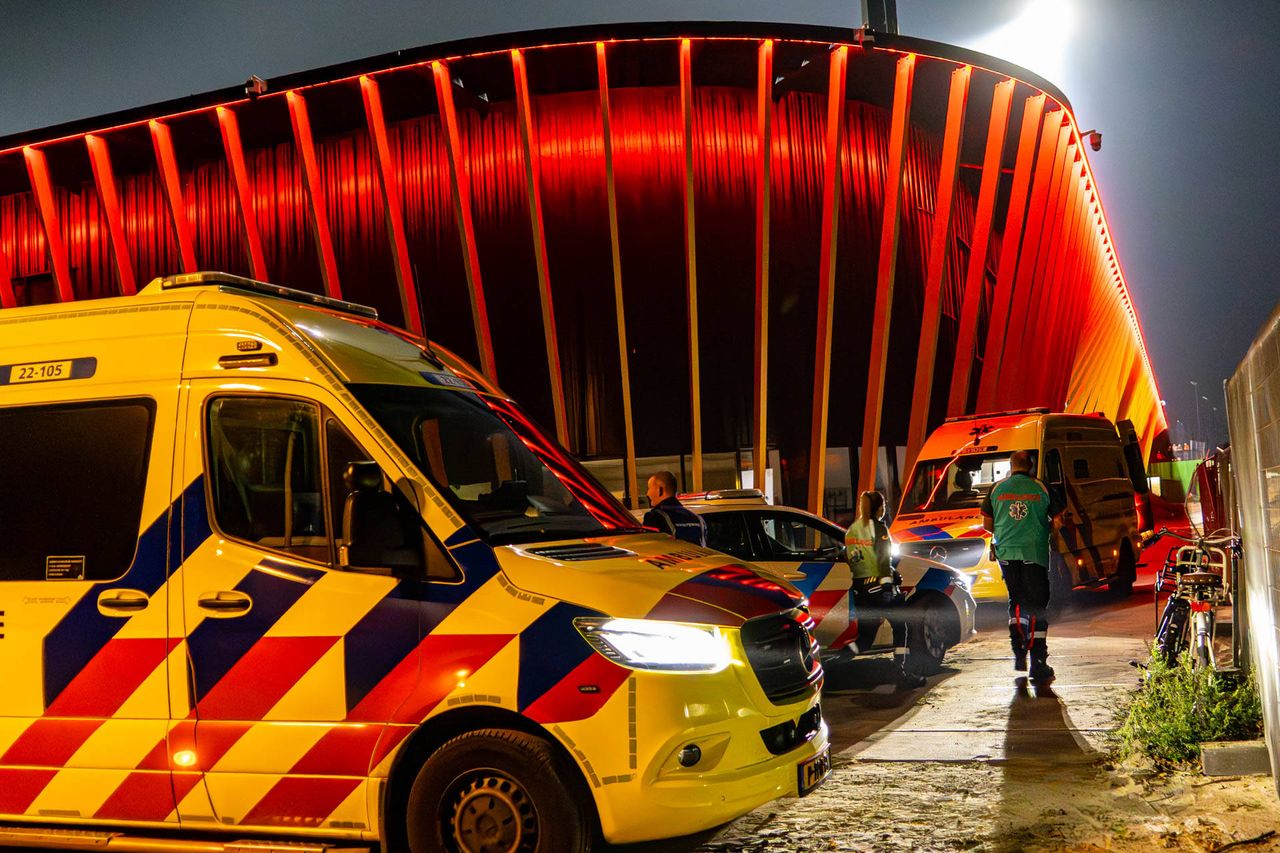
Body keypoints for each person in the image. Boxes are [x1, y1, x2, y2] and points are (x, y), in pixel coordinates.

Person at [981, 450, 1066, 681]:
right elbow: (1058, 520)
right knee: (1037, 603)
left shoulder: (996, 489)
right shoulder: (1042, 487)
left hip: (1006, 554)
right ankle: (1038, 662)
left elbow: (988, 524)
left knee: (1015, 600)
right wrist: (1046, 529)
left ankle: (1018, 652)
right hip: (1034, 553)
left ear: (1010, 466)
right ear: (1030, 466)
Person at [845, 490, 925, 689]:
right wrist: (890, 584)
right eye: (884, 506)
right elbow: (882, 559)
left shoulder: (852, 530)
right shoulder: (879, 529)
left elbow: (851, 558)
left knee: (864, 639)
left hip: (860, 590)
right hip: (880, 589)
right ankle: (902, 673)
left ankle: (835, 663)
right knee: (901, 627)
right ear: (879, 508)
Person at [642, 471, 707, 546]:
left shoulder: (654, 517)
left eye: (649, 488)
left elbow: (650, 548)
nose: (648, 494)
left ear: (660, 490)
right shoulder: (698, 519)